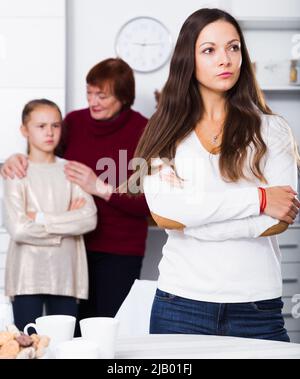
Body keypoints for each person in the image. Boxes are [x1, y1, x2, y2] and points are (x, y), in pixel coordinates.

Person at [125, 9, 300, 342]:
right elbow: (166, 215)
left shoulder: (273, 130)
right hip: (180, 305)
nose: (225, 59)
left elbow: (279, 219)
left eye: (233, 48)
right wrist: (259, 199)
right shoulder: (164, 132)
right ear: (188, 59)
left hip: (257, 308)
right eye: (210, 50)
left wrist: (194, 218)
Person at [1, 58, 150, 322]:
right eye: (89, 93)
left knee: (105, 327)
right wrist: (13, 159)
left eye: (101, 96)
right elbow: (44, 160)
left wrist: (99, 187)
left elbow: (145, 203)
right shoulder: (74, 123)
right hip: (74, 246)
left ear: (123, 97)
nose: (93, 102)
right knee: (72, 331)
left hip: (119, 250)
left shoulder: (143, 131)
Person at [3, 99, 97, 331]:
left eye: (55, 125)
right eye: (41, 126)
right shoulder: (17, 171)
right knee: (27, 345)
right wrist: (66, 224)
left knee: (64, 347)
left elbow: (89, 218)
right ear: (25, 130)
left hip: (66, 274)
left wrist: (41, 218)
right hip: (26, 275)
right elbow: (19, 228)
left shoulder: (71, 169)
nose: (49, 132)